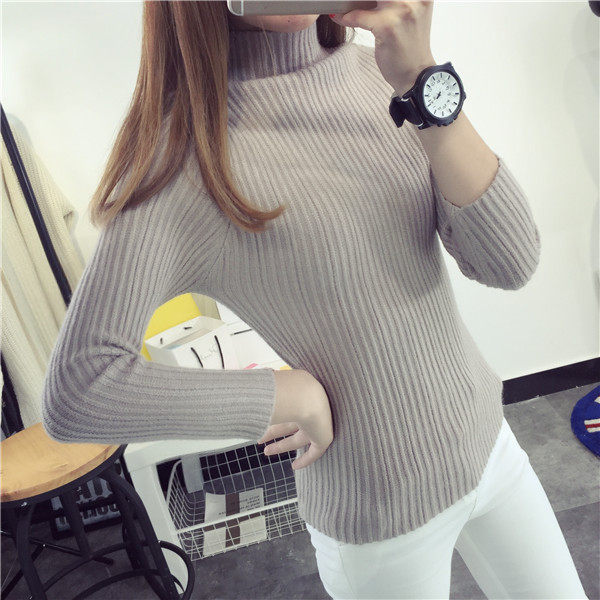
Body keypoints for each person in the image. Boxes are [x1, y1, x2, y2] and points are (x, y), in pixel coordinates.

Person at [41, 1, 588, 598]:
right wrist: (287, 396)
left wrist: (422, 78)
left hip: (489, 444)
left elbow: (510, 262)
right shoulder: (185, 158)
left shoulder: (379, 74)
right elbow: (79, 388)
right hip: (377, 515)